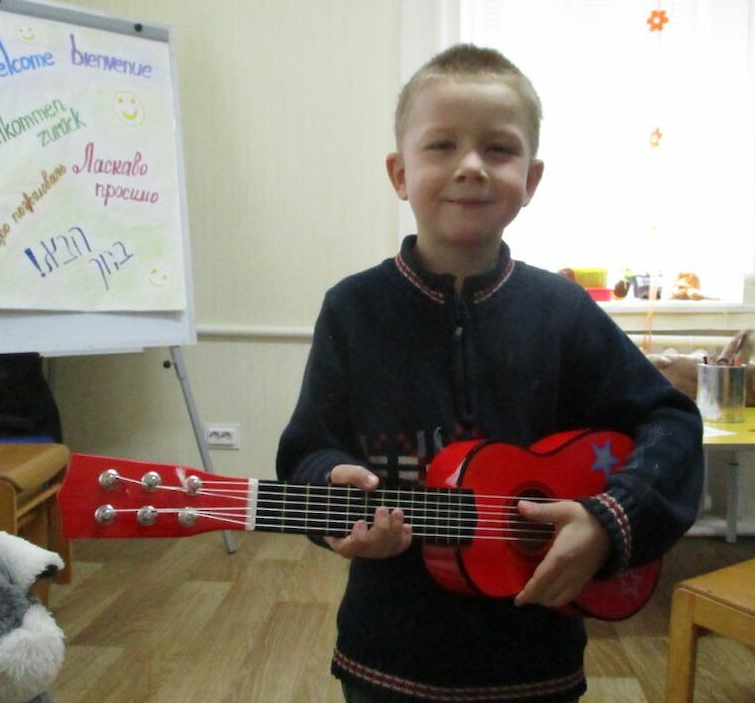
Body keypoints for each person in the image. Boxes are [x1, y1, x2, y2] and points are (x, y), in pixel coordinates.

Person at [276, 43, 703, 703]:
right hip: (390, 656)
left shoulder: (562, 311)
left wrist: (609, 519)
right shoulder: (353, 309)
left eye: (498, 149)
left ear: (531, 180)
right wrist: (328, 485)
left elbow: (669, 422)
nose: (471, 166)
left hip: (536, 658)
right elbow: (309, 448)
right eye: (441, 145)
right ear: (399, 172)